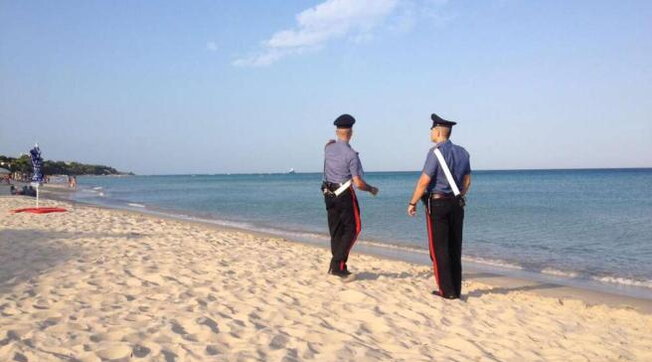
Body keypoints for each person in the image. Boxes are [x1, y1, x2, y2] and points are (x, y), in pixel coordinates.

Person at [407, 113, 471, 299]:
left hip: (438, 203)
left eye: (431, 129)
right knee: (454, 246)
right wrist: (458, 195)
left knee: (439, 248)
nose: (430, 133)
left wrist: (412, 203)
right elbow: (467, 181)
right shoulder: (463, 152)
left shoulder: (435, 152)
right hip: (457, 204)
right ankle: (456, 290)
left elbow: (424, 182)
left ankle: (446, 290)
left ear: (437, 131)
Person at [322, 114, 379, 279]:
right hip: (344, 194)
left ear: (336, 131)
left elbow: (328, 145)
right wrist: (371, 189)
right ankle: (337, 266)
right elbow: (358, 183)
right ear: (351, 132)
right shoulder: (351, 155)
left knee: (337, 231)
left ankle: (339, 266)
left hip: (328, 194)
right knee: (354, 228)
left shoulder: (328, 148)